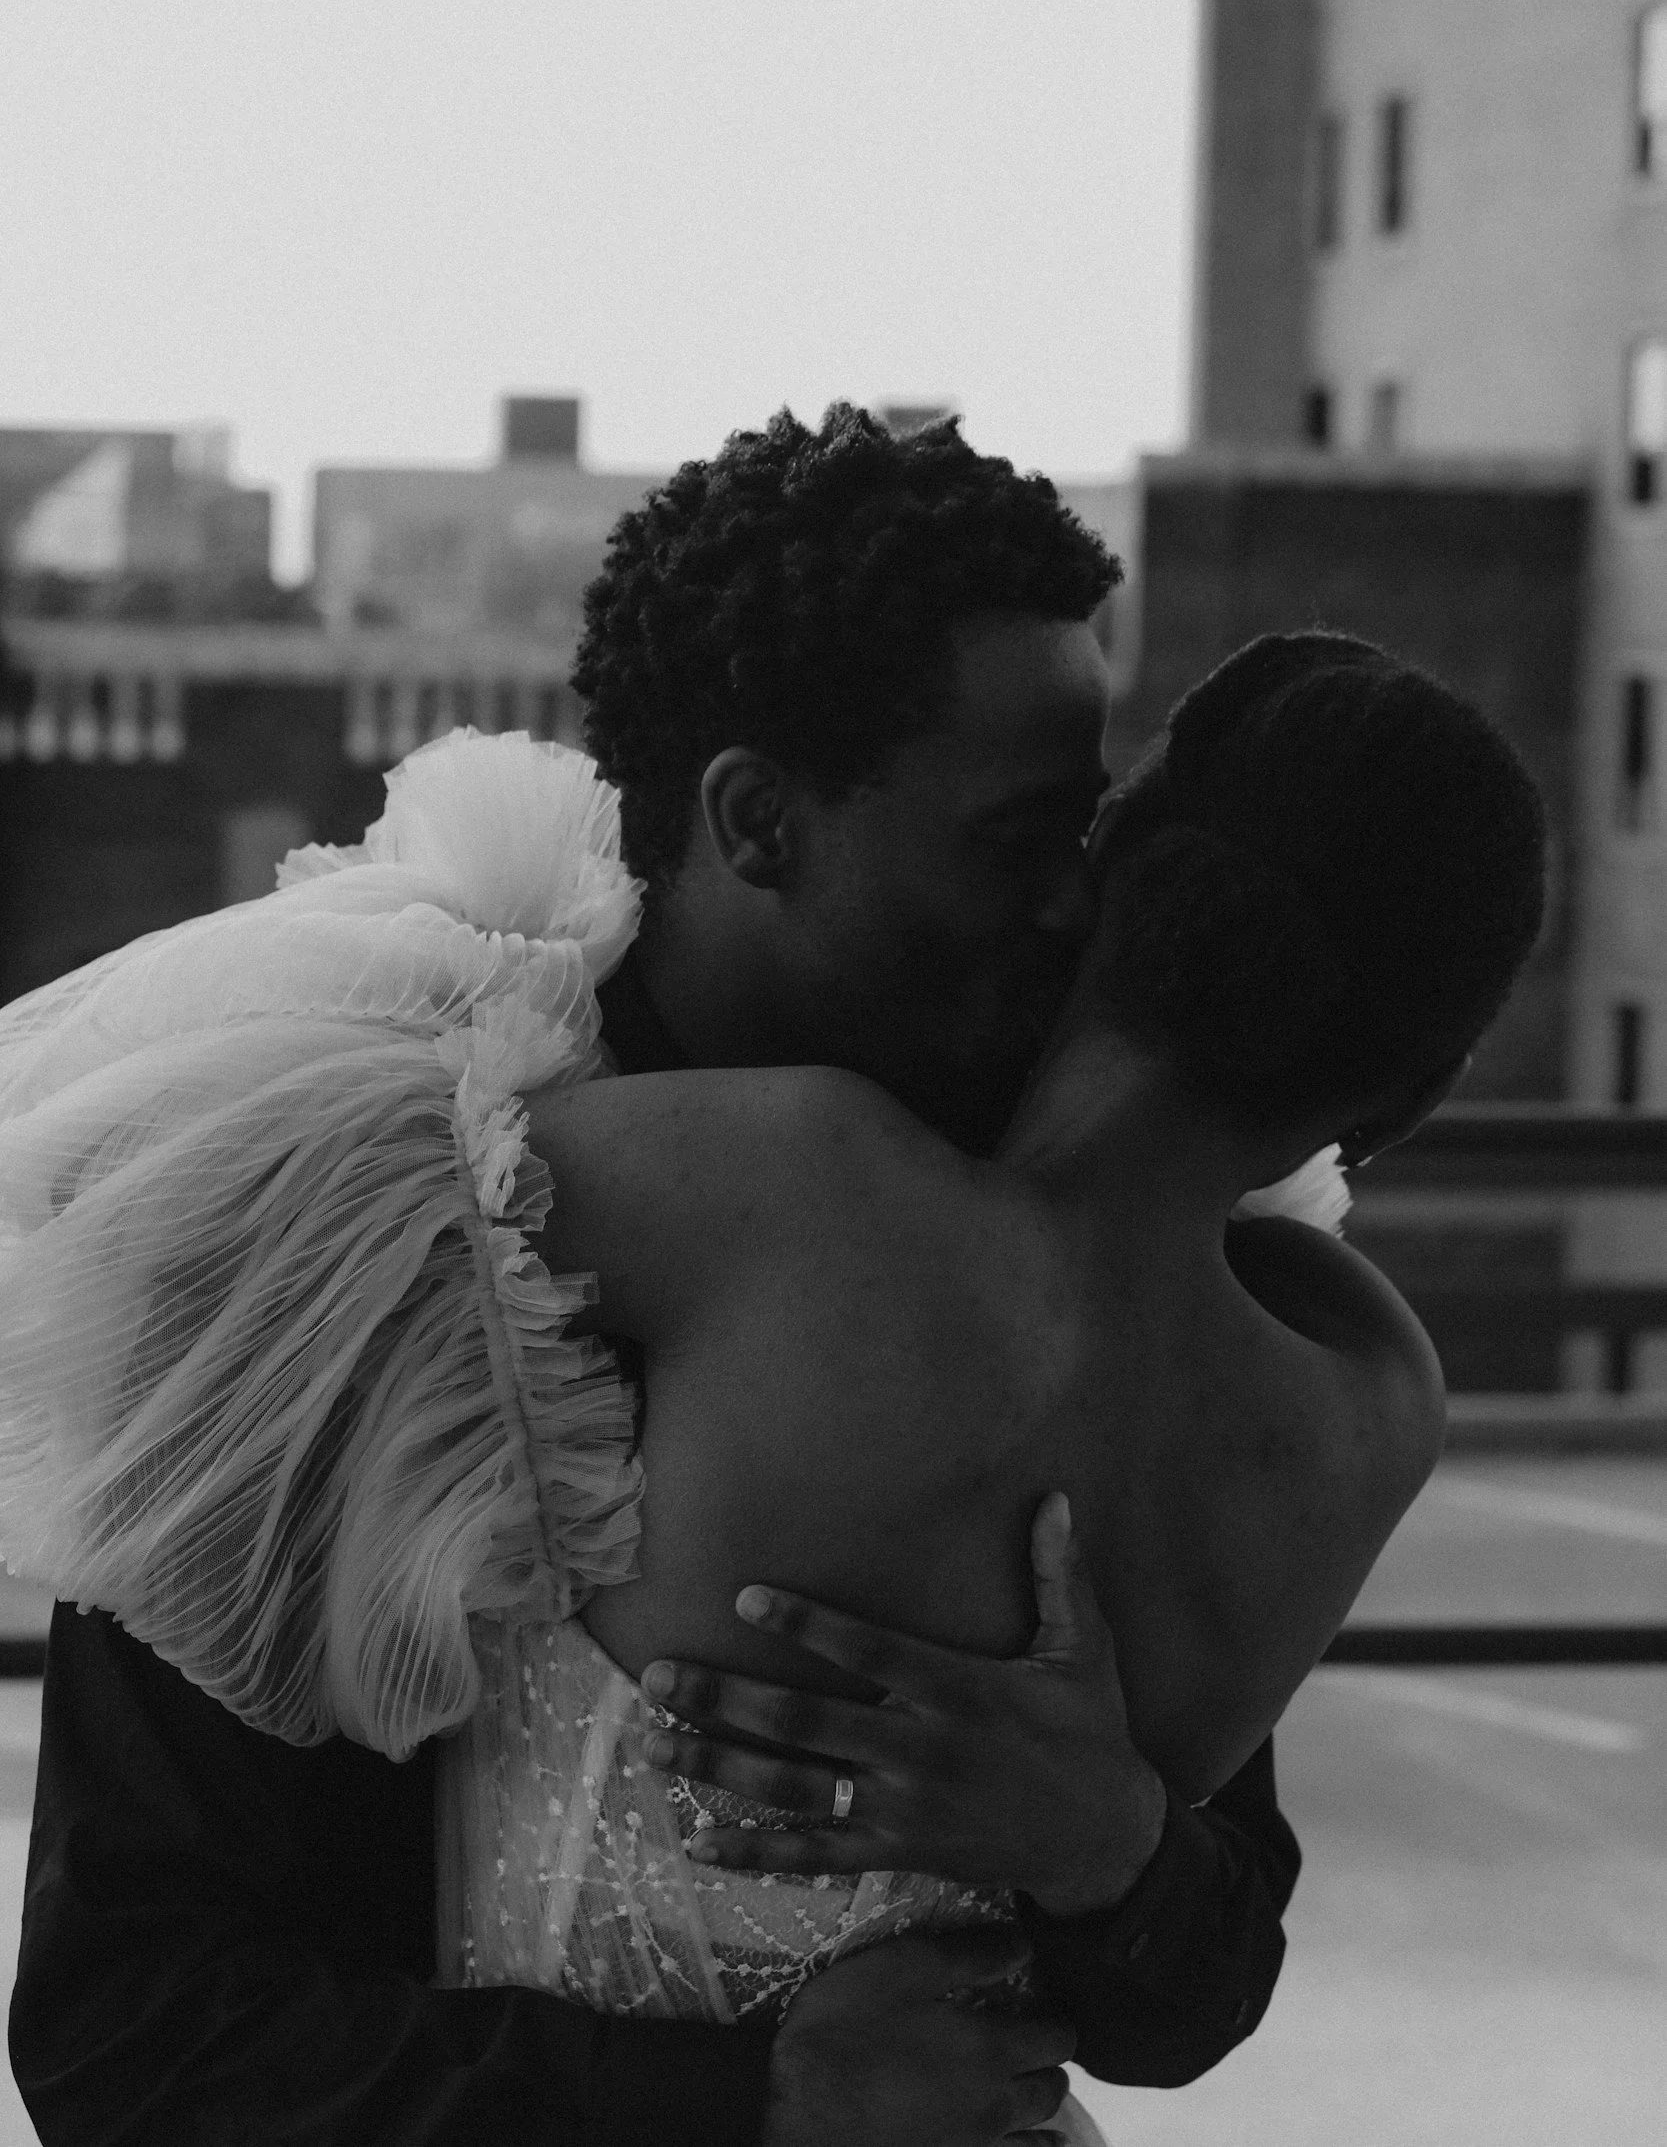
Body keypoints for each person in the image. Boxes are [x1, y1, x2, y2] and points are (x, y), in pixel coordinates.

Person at [0, 409, 1432, 2142]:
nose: (1076, 916)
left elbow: (1199, 1986)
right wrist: (739, 2101)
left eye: (1088, 841)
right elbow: (128, 2030)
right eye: (1016, 841)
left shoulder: (1077, 1196)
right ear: (758, 820)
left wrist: (1113, 1852)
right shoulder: (344, 1212)